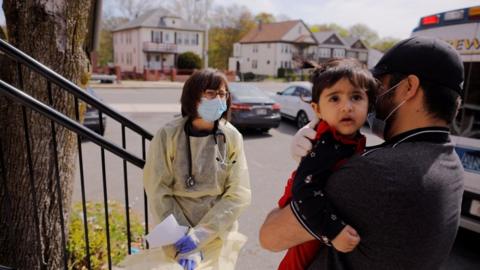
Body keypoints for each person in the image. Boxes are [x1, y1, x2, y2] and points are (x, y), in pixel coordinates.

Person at [259, 36, 465, 270]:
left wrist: (304, 166)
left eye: (378, 86)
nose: (372, 99)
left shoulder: (378, 172)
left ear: (408, 87)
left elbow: (270, 236)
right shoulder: (451, 164)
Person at [123, 69, 251, 270]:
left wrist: (201, 234)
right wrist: (181, 236)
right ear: (193, 97)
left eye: (222, 94)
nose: (218, 99)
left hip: (216, 234)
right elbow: (158, 190)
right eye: (210, 93)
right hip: (176, 232)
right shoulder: (168, 135)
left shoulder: (231, 137)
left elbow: (238, 194)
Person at [276, 58, 377, 270]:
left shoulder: (348, 138)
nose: (346, 107)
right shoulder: (327, 143)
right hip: (305, 218)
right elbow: (304, 190)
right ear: (317, 109)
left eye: (356, 97)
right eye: (334, 98)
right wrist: (334, 230)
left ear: (369, 104)